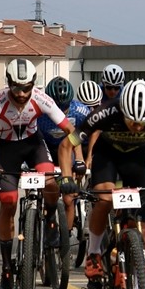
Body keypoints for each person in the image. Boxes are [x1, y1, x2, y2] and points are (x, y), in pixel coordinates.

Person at [58, 80, 145, 289]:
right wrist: (66, 178)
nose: (137, 127)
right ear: (122, 110)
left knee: (143, 228)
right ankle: (94, 254)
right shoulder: (105, 112)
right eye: (132, 121)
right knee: (105, 199)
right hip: (107, 155)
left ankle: (138, 285)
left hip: (137, 157)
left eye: (142, 123)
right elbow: (66, 145)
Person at [0, 59, 75, 289]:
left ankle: (49, 221)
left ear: (33, 85)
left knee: (50, 181)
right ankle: (7, 267)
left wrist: (72, 156)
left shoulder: (40, 98)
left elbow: (70, 130)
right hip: (7, 150)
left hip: (33, 145)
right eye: (16, 88)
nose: (22, 94)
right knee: (8, 202)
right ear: (8, 84)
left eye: (27, 88)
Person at [38, 77, 91, 244]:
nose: (62, 113)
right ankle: (44, 218)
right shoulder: (39, 113)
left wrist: (82, 159)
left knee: (69, 199)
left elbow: (85, 136)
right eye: (57, 109)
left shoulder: (81, 111)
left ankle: (65, 240)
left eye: (65, 108)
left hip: (70, 149)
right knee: (45, 188)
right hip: (45, 148)